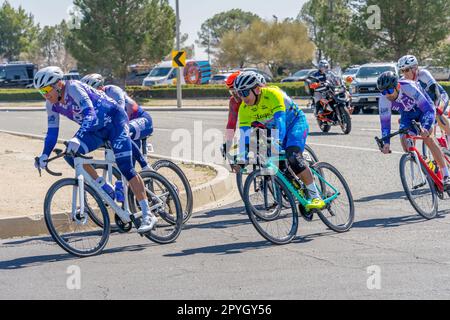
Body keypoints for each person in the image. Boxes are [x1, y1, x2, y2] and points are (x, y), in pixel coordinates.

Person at [33, 67, 157, 233]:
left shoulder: (74, 87)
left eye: (47, 90)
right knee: (70, 154)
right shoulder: (51, 105)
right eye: (41, 91)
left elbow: (90, 114)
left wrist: (78, 137)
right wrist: (44, 155)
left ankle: (148, 214)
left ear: (58, 84)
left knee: (125, 168)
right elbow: (52, 132)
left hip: (114, 122)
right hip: (96, 130)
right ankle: (103, 185)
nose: (45, 95)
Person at [234, 71, 325, 210]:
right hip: (273, 129)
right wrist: (241, 157)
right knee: (274, 160)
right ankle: (296, 189)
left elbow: (280, 121)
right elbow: (244, 136)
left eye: (245, 92)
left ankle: (315, 196)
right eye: (239, 93)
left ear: (257, 89)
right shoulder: (244, 108)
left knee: (293, 156)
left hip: (294, 123)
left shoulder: (272, 94)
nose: (242, 97)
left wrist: (277, 142)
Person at [377, 71, 450, 189]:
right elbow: (385, 123)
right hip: (407, 115)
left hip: (424, 110)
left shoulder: (408, 87)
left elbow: (429, 109)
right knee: (406, 145)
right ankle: (429, 166)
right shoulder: (384, 100)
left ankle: (446, 174)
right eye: (383, 92)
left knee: (427, 138)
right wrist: (386, 143)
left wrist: (426, 127)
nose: (387, 95)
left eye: (389, 91)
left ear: (398, 86)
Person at [81, 74, 153, 170]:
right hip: (126, 124)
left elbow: (120, 113)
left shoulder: (112, 90)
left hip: (143, 119)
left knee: (121, 132)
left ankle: (145, 166)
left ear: (100, 87)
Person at [398, 55, 450, 147]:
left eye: (406, 70)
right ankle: (414, 154)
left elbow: (436, 92)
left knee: (437, 112)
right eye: (402, 71)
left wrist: (436, 107)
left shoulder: (423, 74)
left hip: (439, 96)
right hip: (426, 102)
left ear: (415, 68)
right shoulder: (403, 81)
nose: (404, 73)